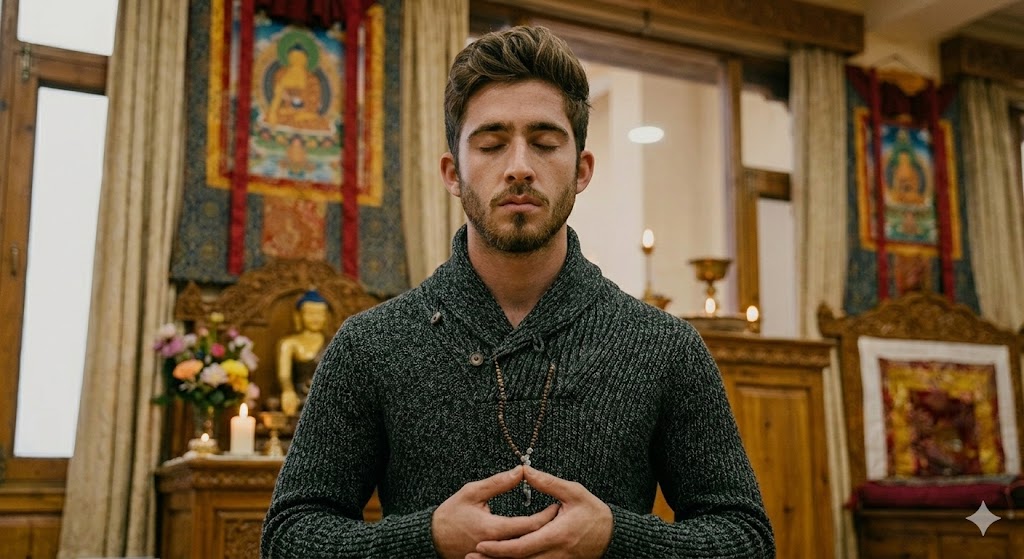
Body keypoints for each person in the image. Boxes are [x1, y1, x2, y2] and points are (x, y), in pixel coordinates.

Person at [262, 25, 774, 559]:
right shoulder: (371, 344)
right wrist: (427, 538)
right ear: (452, 172)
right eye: (490, 144)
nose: (520, 167)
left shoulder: (664, 348)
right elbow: (288, 538)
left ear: (581, 170)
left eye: (546, 143)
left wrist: (614, 537)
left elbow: (747, 540)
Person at [277, 290, 330, 417]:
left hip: (325, 399)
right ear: (299, 315)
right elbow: (284, 376)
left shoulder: (333, 342)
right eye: (310, 313)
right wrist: (288, 391)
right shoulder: (289, 343)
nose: (315, 318)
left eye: (319, 314)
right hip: (299, 399)